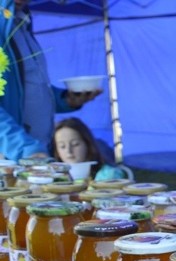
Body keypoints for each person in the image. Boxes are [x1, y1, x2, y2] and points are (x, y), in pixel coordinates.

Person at [0, 0, 102, 160]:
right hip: (14, 158)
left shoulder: (21, 23)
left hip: (37, 154)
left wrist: (66, 100)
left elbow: (28, 89)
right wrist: (25, 149)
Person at [51, 117, 126, 181]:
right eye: (62, 146)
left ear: (88, 144)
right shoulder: (53, 178)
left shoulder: (109, 175)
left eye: (75, 144)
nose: (69, 151)